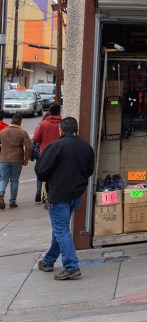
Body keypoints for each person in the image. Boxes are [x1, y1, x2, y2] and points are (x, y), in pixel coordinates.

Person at [35, 117, 94, 281]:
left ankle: (71, 266)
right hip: (76, 195)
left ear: (60, 130)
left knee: (61, 230)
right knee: (60, 229)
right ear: (77, 130)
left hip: (59, 195)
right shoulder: (86, 147)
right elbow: (89, 170)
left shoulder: (55, 146)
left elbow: (40, 171)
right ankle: (48, 260)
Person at [0, 114, 32, 208]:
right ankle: (12, 201)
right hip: (17, 159)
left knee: (3, 178)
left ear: (11, 121)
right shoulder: (22, 132)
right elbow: (29, 147)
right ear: (20, 122)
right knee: (14, 180)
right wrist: (26, 158)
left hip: (3, 158)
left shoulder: (2, 132)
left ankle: (1, 193)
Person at [32, 104, 63, 203]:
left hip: (44, 152)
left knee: (41, 172)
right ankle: (51, 193)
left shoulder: (43, 124)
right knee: (56, 173)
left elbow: (36, 138)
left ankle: (39, 191)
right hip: (59, 153)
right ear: (59, 111)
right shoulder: (62, 124)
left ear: (49, 112)